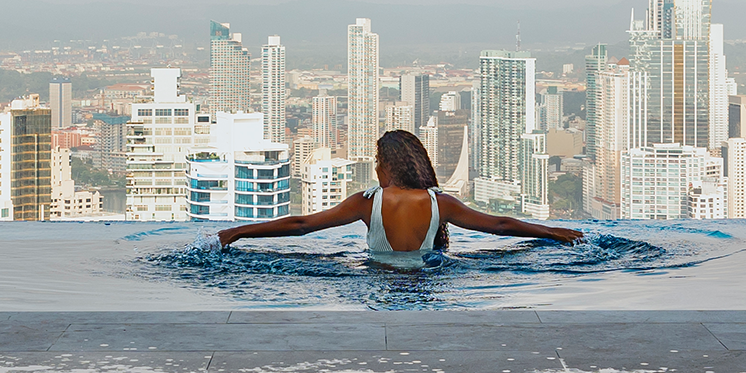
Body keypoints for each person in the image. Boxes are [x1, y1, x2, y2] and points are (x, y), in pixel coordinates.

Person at [217, 128, 584, 267]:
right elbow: (501, 226)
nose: (375, 168)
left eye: (377, 161)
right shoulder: (441, 202)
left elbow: (301, 225)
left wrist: (239, 232)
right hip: (427, 283)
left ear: (387, 167)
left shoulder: (366, 200)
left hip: (377, 280)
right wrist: (553, 232)